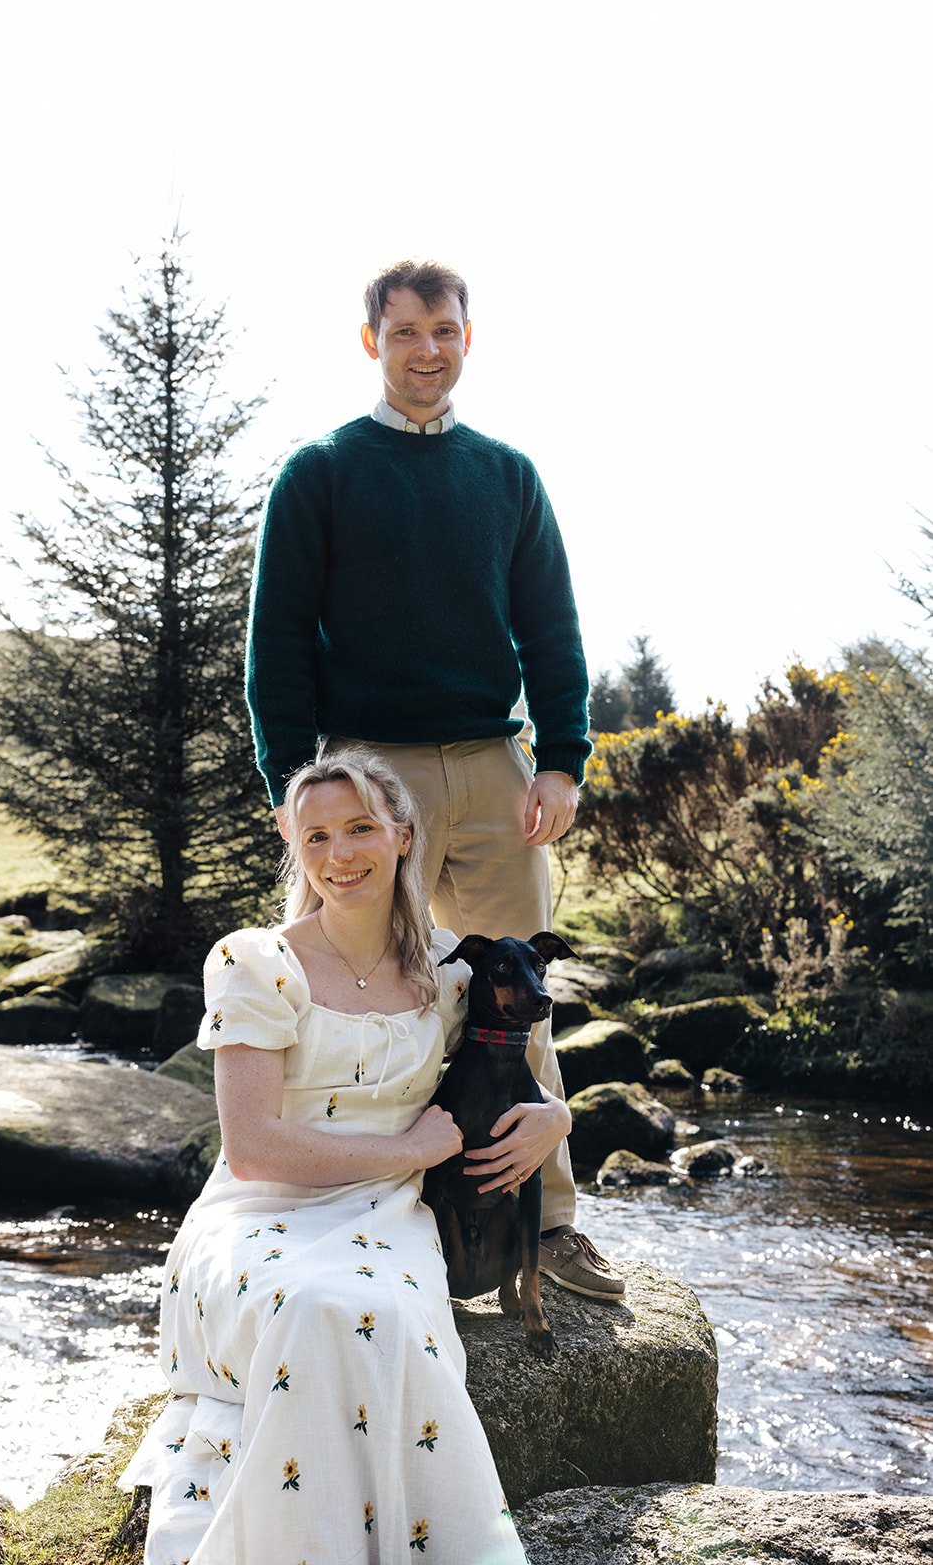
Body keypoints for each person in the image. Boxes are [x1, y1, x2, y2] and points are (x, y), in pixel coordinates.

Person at [244, 258, 623, 1301]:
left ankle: (546, 1225)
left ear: (467, 338)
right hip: (368, 781)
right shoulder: (318, 472)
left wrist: (558, 759)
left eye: (442, 331)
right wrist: (293, 786)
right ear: (371, 341)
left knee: (519, 1010)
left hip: (494, 776)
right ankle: (358, 1213)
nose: (424, 350)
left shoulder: (506, 476)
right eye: (403, 332)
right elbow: (273, 641)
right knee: (358, 996)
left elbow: (551, 629)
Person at [121, 750, 571, 1562]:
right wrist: (408, 1146)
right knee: (306, 1305)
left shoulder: (449, 969)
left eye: (360, 828)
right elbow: (253, 1149)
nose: (339, 854)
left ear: (402, 835)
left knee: (384, 1317)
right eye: (316, 834)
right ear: (295, 845)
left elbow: (511, 1070)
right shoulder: (255, 962)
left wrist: (557, 1117)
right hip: (257, 1214)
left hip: (391, 1213)